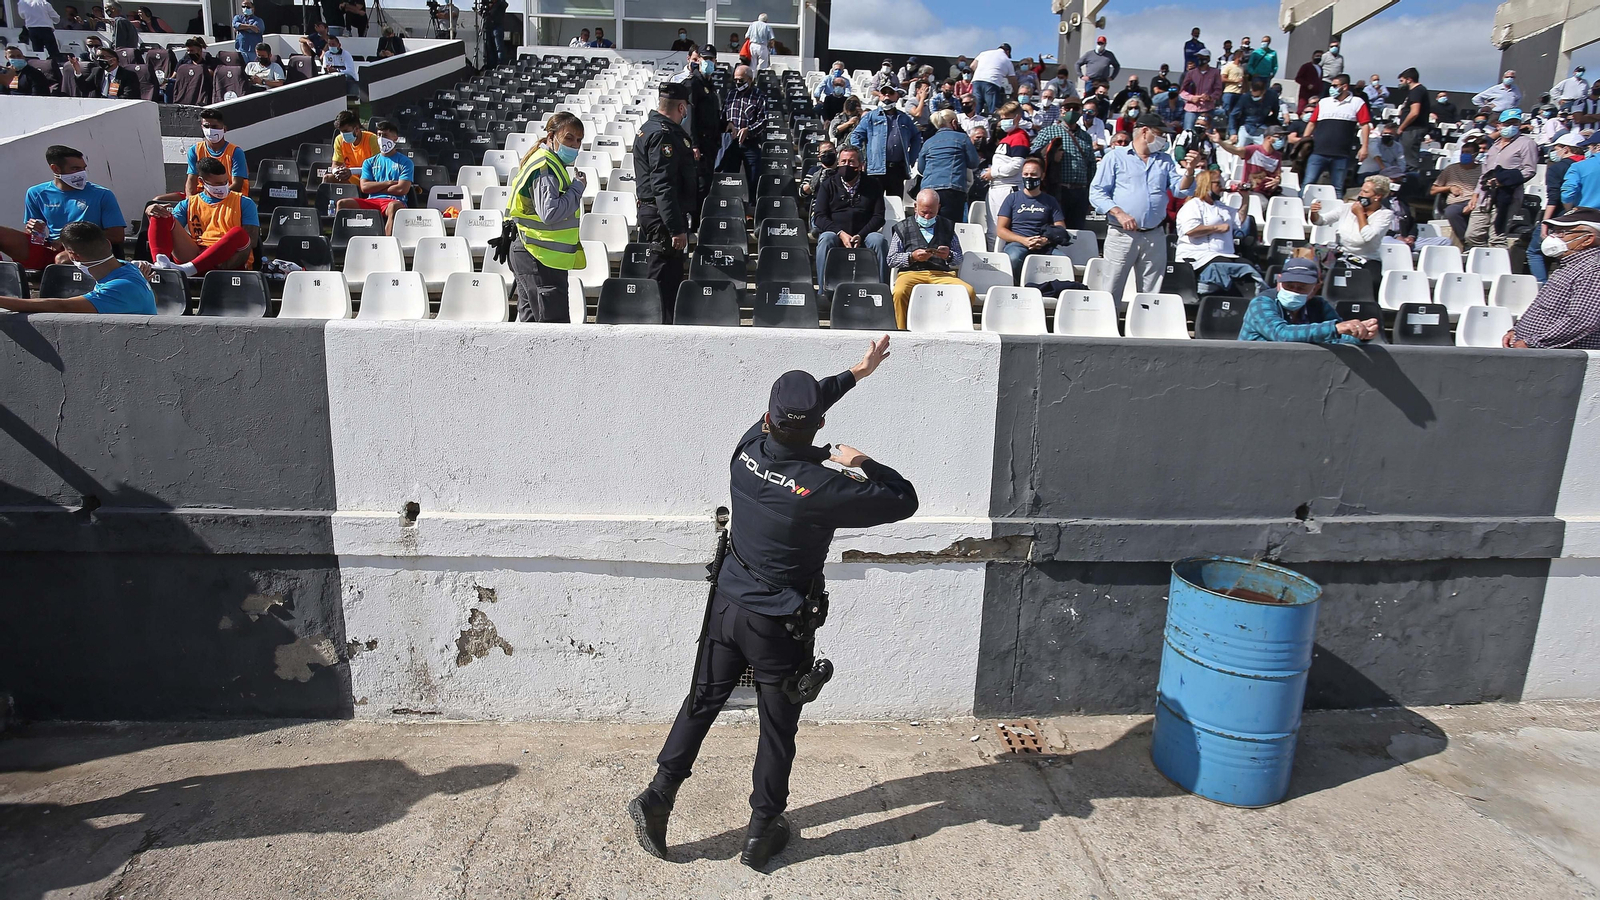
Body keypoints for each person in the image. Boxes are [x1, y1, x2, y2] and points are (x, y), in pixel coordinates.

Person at [630, 337, 915, 869]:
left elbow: (796, 417)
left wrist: (856, 373)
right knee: (777, 724)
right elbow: (904, 499)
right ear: (818, 428)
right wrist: (860, 460)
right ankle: (762, 832)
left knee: (702, 701)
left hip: (726, 606)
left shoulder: (745, 451)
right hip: (778, 625)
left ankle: (658, 796)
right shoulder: (826, 489)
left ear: (766, 417)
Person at [1090, 113, 1200, 295]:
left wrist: (1189, 172)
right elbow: (1097, 192)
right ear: (1144, 131)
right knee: (1111, 288)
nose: (1163, 139)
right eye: (1160, 134)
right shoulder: (1115, 157)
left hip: (1154, 234)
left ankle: (1144, 322)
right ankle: (1109, 323)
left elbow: (1180, 190)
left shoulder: (1165, 160)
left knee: (1151, 292)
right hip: (1121, 233)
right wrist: (1118, 212)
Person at [504, 111, 585, 323]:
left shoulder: (546, 162)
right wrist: (577, 188)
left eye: (578, 140)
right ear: (551, 137)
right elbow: (550, 213)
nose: (575, 145)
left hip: (534, 253)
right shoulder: (545, 166)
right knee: (552, 330)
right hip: (537, 255)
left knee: (532, 326)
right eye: (569, 138)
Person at [0, 145, 125, 272]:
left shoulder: (102, 194)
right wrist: (32, 229)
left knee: (62, 260)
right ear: (55, 168)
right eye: (75, 169)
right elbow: (36, 236)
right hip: (51, 246)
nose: (82, 173)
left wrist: (70, 239)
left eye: (83, 168)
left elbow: (117, 236)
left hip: (84, 249)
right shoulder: (36, 193)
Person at [635, 81, 698, 323]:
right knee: (664, 283)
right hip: (663, 217)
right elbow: (663, 184)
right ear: (682, 108)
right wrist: (675, 228)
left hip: (656, 212)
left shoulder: (650, 128)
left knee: (666, 279)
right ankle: (658, 331)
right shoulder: (663, 134)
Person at [0, 223, 155, 315]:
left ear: (73, 256)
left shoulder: (119, 288)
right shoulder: (127, 267)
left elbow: (62, 306)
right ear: (108, 244)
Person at [1500, 208, 1600, 348]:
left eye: (1562, 232)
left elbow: (1582, 319)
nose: (1553, 237)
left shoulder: (1593, 270)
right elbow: (1542, 307)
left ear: (1588, 239)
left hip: (1557, 358)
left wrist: (1532, 343)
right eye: (1554, 231)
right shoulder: (1570, 264)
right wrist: (1516, 331)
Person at [144, 158, 260, 276]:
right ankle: (160, 264)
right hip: (195, 253)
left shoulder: (244, 202)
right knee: (160, 214)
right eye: (217, 184)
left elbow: (252, 241)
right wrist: (151, 211)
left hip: (225, 258)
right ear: (202, 181)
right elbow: (167, 229)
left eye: (225, 182)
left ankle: (190, 268)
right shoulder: (189, 203)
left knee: (239, 234)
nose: (223, 186)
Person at [1238, 257, 1378, 344]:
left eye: (1302, 287)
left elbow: (1339, 336)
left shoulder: (1319, 305)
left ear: (1315, 288)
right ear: (1279, 280)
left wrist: (1361, 334)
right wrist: (1335, 328)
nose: (1294, 290)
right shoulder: (1261, 303)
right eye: (1289, 285)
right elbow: (1281, 334)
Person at [887, 190, 974, 326]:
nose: (927, 217)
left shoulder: (948, 226)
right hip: (911, 273)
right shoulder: (902, 227)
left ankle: (955, 326)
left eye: (931, 213)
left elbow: (959, 258)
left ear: (938, 207)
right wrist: (912, 257)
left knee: (968, 291)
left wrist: (949, 255)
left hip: (942, 274)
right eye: (923, 213)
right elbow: (891, 259)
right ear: (915, 207)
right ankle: (901, 330)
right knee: (899, 292)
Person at [1176, 169, 1264, 297]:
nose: (1221, 187)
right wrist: (1216, 228)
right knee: (1224, 265)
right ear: (1207, 185)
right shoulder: (1193, 206)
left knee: (1248, 266)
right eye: (1218, 184)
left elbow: (1239, 220)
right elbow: (1190, 231)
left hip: (1224, 254)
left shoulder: (1221, 206)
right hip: (1200, 255)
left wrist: (1245, 198)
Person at [813, 144, 889, 288]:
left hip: (864, 235)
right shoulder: (827, 185)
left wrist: (861, 235)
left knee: (878, 240)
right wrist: (841, 234)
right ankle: (823, 290)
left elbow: (879, 216)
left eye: (851, 162)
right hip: (837, 234)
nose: (846, 165)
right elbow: (819, 216)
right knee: (825, 239)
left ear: (861, 165)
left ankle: (882, 289)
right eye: (843, 162)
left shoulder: (873, 185)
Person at [1466, 109, 1538, 250]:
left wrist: (1505, 180)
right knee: (1473, 234)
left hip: (1507, 196)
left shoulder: (1526, 143)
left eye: (1515, 123)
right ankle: (1483, 255)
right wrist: (1476, 193)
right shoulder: (1494, 145)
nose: (1511, 126)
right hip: (1486, 195)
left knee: (1497, 237)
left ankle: (1496, 264)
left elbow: (1529, 170)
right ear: (1499, 125)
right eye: (1507, 123)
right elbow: (1485, 172)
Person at [994, 157, 1071, 279]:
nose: (1029, 177)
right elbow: (1001, 230)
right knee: (1014, 258)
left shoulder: (1050, 201)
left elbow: (1060, 227)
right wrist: (1024, 240)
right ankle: (1015, 286)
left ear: (1042, 176)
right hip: (1017, 244)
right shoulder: (1012, 199)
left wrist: (1046, 240)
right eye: (1026, 174)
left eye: (1034, 174)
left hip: (1044, 245)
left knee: (1063, 261)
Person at [335, 120, 412, 235]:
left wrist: (375, 187)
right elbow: (365, 187)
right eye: (379, 135)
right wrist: (388, 183)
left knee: (394, 207)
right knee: (342, 203)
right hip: (372, 200)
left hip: (394, 201)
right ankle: (341, 239)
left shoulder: (405, 162)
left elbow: (402, 189)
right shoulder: (369, 162)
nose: (381, 139)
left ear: (395, 138)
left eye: (385, 135)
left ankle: (387, 242)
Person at [848, 83, 920, 204]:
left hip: (897, 169)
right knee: (872, 203)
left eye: (891, 93)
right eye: (883, 93)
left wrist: (911, 158)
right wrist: (861, 158)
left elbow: (916, 137)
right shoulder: (871, 117)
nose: (887, 96)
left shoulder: (904, 118)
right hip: (875, 169)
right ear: (880, 96)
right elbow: (856, 136)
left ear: (897, 96)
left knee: (896, 203)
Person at [1030, 98, 1096, 229]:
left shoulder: (1086, 137)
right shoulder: (1048, 131)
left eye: (1076, 109)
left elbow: (1091, 166)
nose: (1071, 111)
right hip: (1058, 189)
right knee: (1056, 228)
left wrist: (1090, 192)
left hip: (1080, 191)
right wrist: (1050, 154)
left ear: (1081, 112)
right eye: (1068, 108)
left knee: (1077, 231)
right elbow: (1033, 155)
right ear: (1061, 111)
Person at [1301, 75, 1370, 192]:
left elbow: (1365, 125)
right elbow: (1312, 123)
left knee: (1337, 188)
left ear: (1344, 87)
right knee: (1308, 184)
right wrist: (1303, 142)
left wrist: (1364, 147)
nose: (1331, 88)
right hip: (1318, 151)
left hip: (1341, 154)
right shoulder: (1323, 102)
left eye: (1335, 86)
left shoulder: (1357, 102)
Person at [1309, 174, 1395, 263]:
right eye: (1361, 191)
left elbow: (1369, 236)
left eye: (1365, 192)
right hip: (1342, 256)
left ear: (1377, 196)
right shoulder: (1346, 208)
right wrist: (1314, 212)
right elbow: (1320, 221)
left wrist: (1359, 214)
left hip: (1368, 259)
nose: (1360, 194)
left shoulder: (1385, 214)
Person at [915, 110, 979, 222]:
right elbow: (974, 163)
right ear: (954, 122)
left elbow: (921, 169)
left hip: (928, 190)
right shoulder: (962, 138)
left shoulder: (928, 142)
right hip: (952, 188)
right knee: (949, 228)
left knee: (927, 226)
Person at [719, 65, 765, 202]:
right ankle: (728, 205)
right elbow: (723, 115)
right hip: (731, 142)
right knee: (728, 178)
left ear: (750, 80)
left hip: (750, 143)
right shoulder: (731, 94)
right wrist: (727, 125)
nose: (738, 83)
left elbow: (763, 121)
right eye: (735, 80)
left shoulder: (759, 96)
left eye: (741, 80)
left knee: (753, 178)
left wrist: (749, 130)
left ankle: (751, 208)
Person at [683, 46, 723, 199]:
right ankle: (694, 222)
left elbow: (711, 116)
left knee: (706, 186)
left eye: (711, 59)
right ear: (698, 60)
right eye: (705, 58)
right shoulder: (693, 83)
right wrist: (693, 145)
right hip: (699, 146)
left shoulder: (710, 85)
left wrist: (726, 124)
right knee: (699, 188)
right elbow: (689, 117)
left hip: (710, 145)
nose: (708, 62)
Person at [183, 110, 249, 199]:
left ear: (224, 129)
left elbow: (237, 185)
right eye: (206, 126)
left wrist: (212, 199)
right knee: (159, 200)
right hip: (201, 195)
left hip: (230, 197)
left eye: (214, 126)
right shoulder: (195, 150)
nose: (210, 130)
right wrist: (190, 201)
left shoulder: (235, 152)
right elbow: (191, 179)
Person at [1430, 136, 1481, 246]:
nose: (1464, 155)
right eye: (1463, 152)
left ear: (1475, 154)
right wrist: (1449, 188)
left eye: (1468, 152)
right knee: (1451, 212)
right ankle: (1466, 242)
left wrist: (1473, 202)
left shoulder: (1482, 169)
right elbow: (1433, 190)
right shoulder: (1451, 169)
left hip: (1476, 200)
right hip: (1456, 202)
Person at [1216, 124, 1285, 198]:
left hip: (1270, 192)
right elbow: (1235, 150)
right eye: (1279, 137)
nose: (1281, 140)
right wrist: (1220, 142)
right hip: (1252, 191)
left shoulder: (1277, 156)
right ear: (1268, 138)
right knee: (1262, 204)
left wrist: (1277, 180)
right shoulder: (1253, 150)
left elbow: (1278, 175)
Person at [1391, 68, 1430, 172]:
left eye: (1401, 81)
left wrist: (1401, 127)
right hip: (1411, 130)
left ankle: (1411, 183)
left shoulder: (1416, 91)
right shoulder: (1416, 91)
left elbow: (1414, 112)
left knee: (1410, 162)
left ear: (1409, 80)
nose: (1400, 84)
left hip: (1412, 130)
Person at [325, 110, 378, 185]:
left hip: (369, 179)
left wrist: (351, 171)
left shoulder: (372, 139)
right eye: (341, 131)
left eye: (346, 131)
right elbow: (336, 164)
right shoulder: (339, 140)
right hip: (351, 178)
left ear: (356, 129)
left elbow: (377, 168)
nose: (343, 134)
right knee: (327, 178)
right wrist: (336, 171)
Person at [67, 44, 138, 98]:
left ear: (113, 60)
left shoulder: (128, 75)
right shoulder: (97, 71)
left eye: (101, 57)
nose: (98, 59)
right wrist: (78, 71)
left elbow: (129, 96)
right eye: (97, 57)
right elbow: (85, 88)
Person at [1180, 49, 1220, 130]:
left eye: (1202, 57)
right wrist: (1191, 97)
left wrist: (1210, 97)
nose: (1200, 59)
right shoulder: (1191, 73)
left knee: (1208, 133)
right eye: (1198, 57)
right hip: (1191, 108)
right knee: (1188, 132)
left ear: (1208, 59)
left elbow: (1218, 90)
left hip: (1207, 108)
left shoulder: (1215, 72)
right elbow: (1182, 91)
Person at [970, 42, 1015, 117]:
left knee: (976, 108)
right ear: (1007, 52)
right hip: (992, 83)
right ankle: (992, 125)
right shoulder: (1007, 60)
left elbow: (972, 66)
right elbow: (1013, 79)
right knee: (993, 110)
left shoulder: (984, 53)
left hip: (976, 81)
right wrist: (1015, 92)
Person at [1294, 49, 1325, 116]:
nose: (1318, 57)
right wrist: (1307, 85)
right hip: (1305, 93)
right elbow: (1298, 78)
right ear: (1313, 56)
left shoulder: (1320, 68)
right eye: (1317, 56)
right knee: (1302, 108)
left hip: (1316, 93)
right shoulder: (1306, 66)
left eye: (1320, 56)